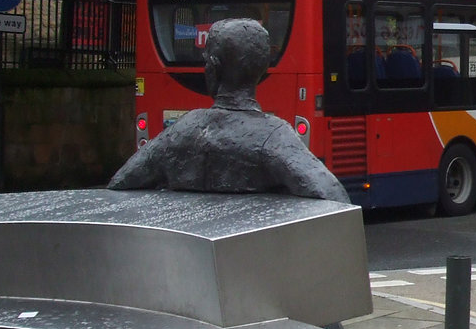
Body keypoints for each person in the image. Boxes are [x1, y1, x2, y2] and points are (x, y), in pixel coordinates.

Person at [109, 17, 350, 202]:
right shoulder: (274, 135)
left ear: (213, 68)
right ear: (262, 69)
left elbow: (121, 183)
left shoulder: (183, 129)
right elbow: (333, 195)